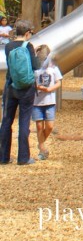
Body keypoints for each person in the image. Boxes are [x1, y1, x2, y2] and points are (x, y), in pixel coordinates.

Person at [0, 19, 41, 165]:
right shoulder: (28, 46)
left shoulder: (8, 46)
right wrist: (35, 54)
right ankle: (23, 158)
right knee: (24, 122)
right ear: (28, 33)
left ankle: (3, 157)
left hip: (11, 87)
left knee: (6, 121)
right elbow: (36, 67)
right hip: (26, 89)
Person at [33, 45, 62, 160]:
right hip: (37, 102)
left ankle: (40, 143)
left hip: (50, 101)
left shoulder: (53, 67)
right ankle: (42, 148)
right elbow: (32, 82)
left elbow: (58, 81)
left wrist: (50, 89)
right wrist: (38, 87)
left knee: (49, 126)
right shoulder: (35, 68)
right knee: (39, 126)